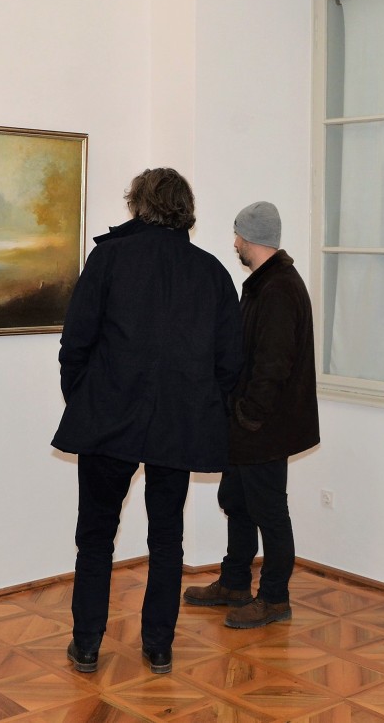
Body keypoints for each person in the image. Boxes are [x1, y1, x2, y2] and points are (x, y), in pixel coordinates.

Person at [52, 167, 242, 676]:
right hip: (178, 425)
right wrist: (201, 408)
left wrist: (86, 399)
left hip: (108, 418)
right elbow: (230, 364)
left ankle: (87, 645)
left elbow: (75, 342)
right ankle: (159, 646)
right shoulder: (211, 272)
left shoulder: (110, 258)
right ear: (186, 210)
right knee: (167, 540)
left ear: (138, 204)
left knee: (95, 538)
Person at [183, 201, 320, 629]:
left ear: (249, 238)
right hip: (251, 426)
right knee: (238, 503)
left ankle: (275, 599)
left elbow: (272, 365)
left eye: (237, 235)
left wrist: (248, 415)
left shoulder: (278, 288)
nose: (235, 243)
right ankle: (234, 584)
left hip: (264, 428)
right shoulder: (265, 283)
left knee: (270, 513)